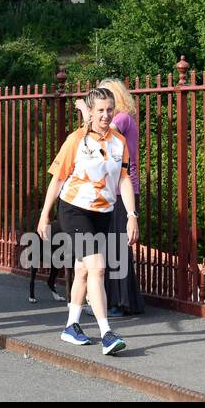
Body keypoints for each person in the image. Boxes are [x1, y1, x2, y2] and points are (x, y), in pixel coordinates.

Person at [36, 86, 139, 356]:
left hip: (103, 213)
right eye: (101, 110)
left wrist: (131, 215)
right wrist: (45, 214)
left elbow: (124, 179)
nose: (106, 115)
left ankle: (71, 326)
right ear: (90, 113)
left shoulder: (119, 141)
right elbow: (58, 178)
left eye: (110, 110)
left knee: (82, 270)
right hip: (75, 210)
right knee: (98, 268)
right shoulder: (76, 140)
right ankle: (106, 333)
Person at [75, 79, 145, 316]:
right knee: (110, 247)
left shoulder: (122, 119)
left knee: (117, 247)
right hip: (110, 190)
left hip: (121, 191)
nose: (103, 111)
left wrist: (86, 111)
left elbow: (100, 135)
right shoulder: (125, 119)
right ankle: (113, 300)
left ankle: (120, 302)